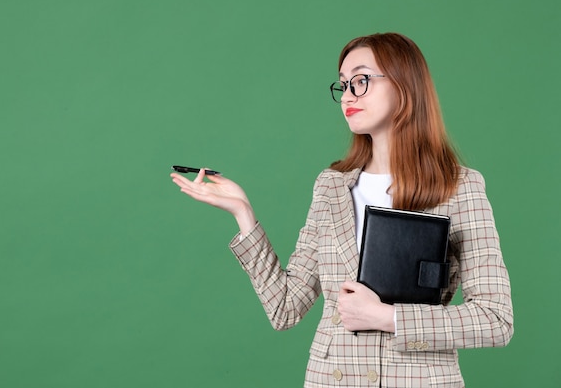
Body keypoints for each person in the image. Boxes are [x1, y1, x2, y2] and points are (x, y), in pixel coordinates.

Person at [170, 32, 513, 388]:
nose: (347, 95)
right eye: (344, 84)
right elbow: (285, 308)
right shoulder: (330, 186)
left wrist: (386, 317)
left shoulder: (458, 186)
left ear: (404, 86)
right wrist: (244, 214)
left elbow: (495, 319)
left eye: (361, 81)